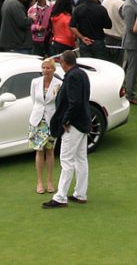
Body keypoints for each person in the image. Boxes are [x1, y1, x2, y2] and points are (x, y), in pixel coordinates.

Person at [43, 49, 91, 208]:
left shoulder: (72, 76)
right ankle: (80, 193)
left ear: (64, 62)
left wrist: (66, 120)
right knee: (80, 159)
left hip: (73, 125)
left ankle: (60, 197)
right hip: (82, 122)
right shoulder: (81, 74)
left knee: (66, 160)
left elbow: (74, 102)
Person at [29, 56, 62, 194]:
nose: (45, 70)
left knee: (50, 150)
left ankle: (49, 181)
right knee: (39, 150)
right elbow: (34, 100)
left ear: (53, 69)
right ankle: (39, 182)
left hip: (51, 120)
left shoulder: (59, 83)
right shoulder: (35, 82)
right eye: (43, 67)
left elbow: (59, 102)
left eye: (48, 68)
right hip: (37, 121)